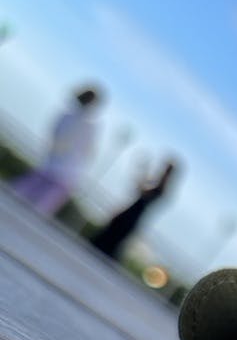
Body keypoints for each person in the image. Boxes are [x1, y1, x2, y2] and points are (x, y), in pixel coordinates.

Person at [12, 85, 104, 215]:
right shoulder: (89, 124)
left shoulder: (68, 116)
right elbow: (87, 151)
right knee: (37, 210)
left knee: (19, 197)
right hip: (65, 174)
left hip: (51, 167)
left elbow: (54, 137)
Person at [91, 159, 179, 259]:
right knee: (110, 237)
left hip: (132, 215)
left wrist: (144, 173)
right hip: (133, 215)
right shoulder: (159, 185)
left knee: (110, 238)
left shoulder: (160, 186)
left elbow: (143, 191)